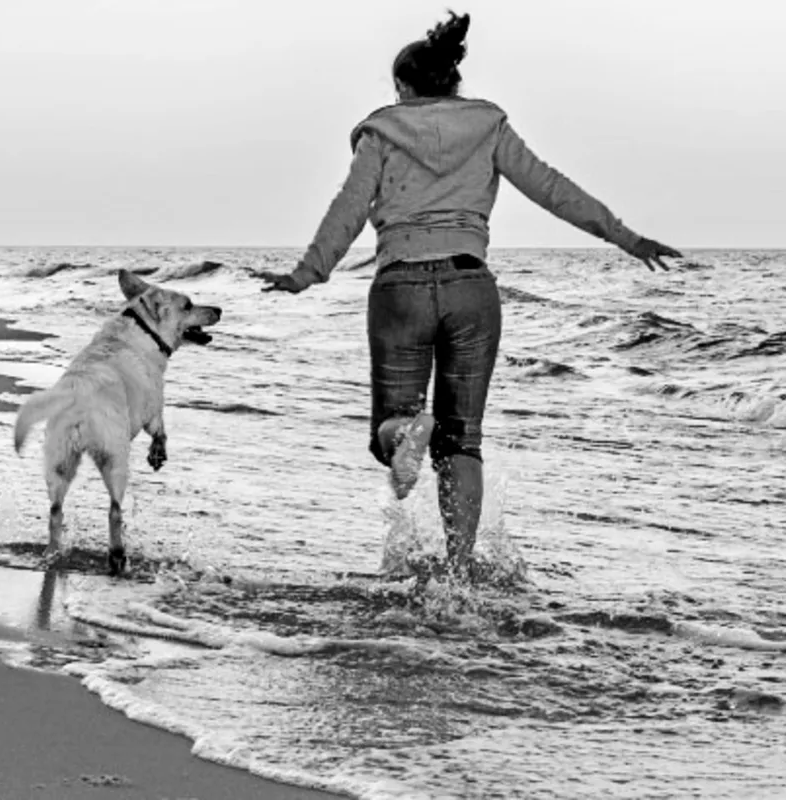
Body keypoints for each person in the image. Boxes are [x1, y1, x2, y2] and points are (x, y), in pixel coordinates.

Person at [255, 10, 686, 574]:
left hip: (401, 285)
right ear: (454, 82)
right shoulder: (488, 127)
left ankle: (406, 432)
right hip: (470, 288)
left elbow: (349, 208)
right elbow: (552, 188)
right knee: (462, 441)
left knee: (391, 425)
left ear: (403, 88)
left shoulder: (383, 132)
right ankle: (459, 572)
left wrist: (307, 273)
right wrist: (625, 238)